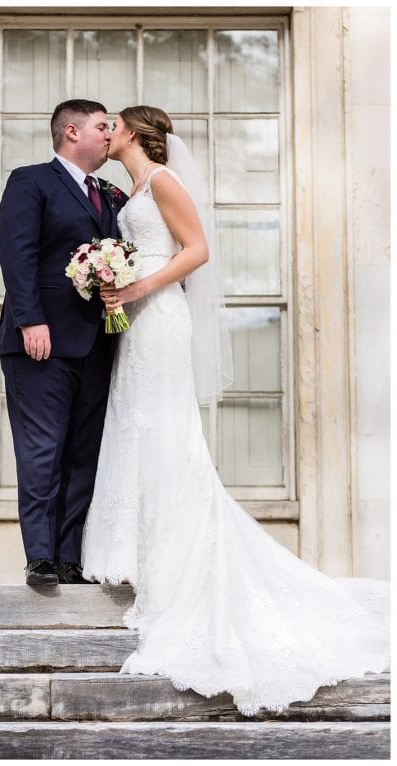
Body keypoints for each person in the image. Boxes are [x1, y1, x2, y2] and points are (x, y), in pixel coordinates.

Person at [82, 105, 389, 715]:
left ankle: (179, 558)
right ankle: (137, 551)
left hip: (161, 317)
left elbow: (196, 251)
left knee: (166, 430)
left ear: (137, 134)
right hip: (137, 323)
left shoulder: (165, 183)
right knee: (137, 427)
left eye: (113, 124)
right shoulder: (131, 188)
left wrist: (139, 286)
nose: (105, 131)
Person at [0, 99, 127, 586]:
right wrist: (30, 321)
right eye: (101, 126)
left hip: (97, 344)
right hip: (41, 342)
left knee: (83, 452)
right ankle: (42, 557)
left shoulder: (111, 194)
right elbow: (17, 253)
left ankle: (71, 557)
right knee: (42, 449)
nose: (110, 134)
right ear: (71, 131)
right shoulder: (31, 181)